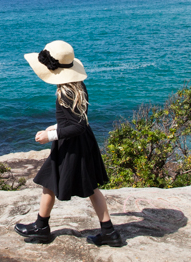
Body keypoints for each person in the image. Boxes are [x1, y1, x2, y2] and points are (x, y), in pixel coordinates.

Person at [14, 40, 124, 247]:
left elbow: (78, 126)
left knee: (52, 182)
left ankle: (42, 228)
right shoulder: (78, 85)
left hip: (72, 146)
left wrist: (51, 136)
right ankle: (108, 232)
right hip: (80, 143)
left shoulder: (66, 91)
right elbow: (75, 119)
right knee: (80, 186)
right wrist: (55, 126)